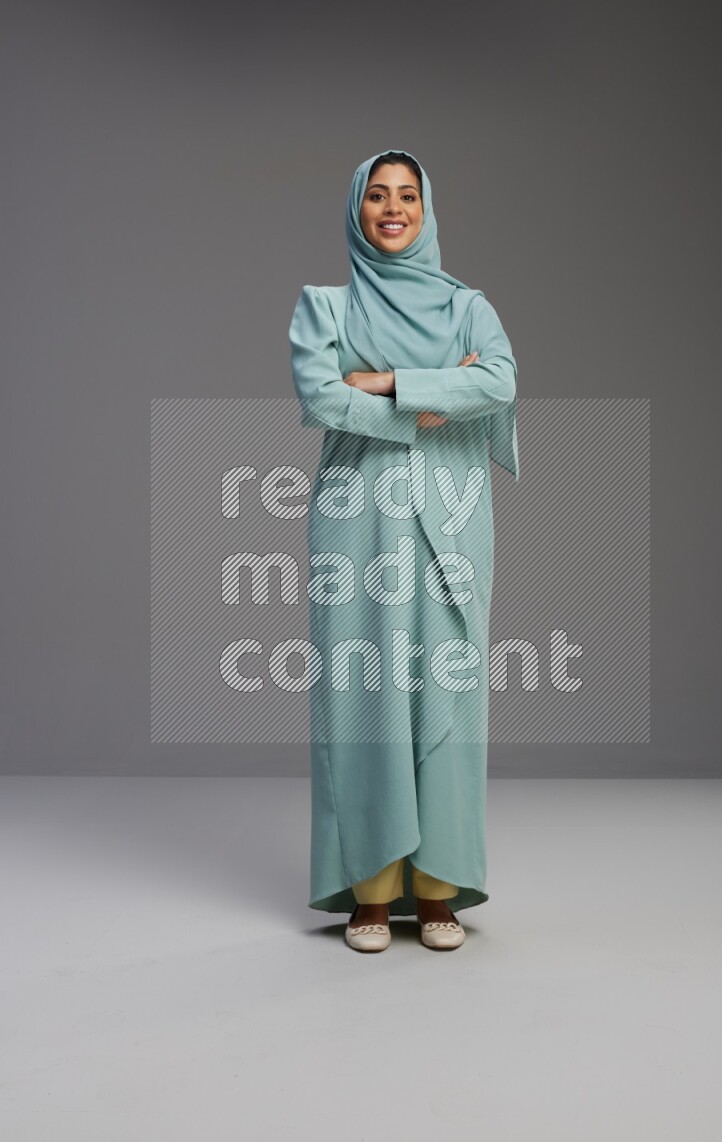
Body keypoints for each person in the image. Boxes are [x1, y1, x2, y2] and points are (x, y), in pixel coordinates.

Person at [289, 148, 519, 952]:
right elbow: (320, 398)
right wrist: (432, 394)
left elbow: (499, 381)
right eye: (378, 196)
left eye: (407, 197)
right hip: (358, 525)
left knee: (448, 696)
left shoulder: (468, 307)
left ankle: (439, 891)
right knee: (364, 699)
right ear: (357, 209)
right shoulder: (326, 306)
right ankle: (372, 895)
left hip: (453, 520)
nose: (393, 209)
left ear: (427, 210)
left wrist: (387, 384)